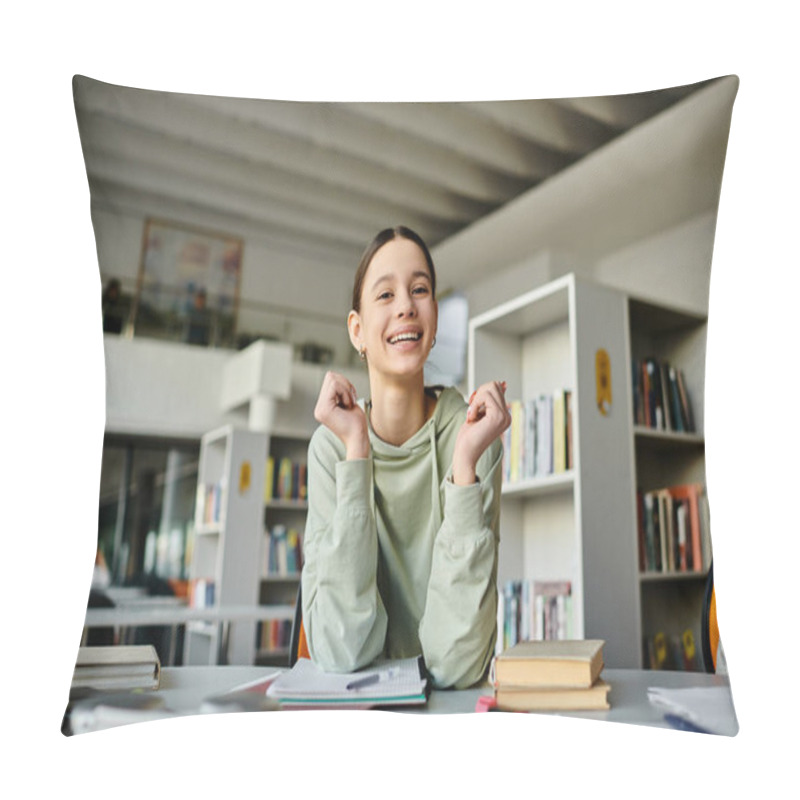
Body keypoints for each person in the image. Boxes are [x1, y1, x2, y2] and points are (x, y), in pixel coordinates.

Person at [301, 226, 511, 689]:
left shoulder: (474, 438)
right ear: (357, 330)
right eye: (386, 294)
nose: (405, 307)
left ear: (433, 318)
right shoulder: (330, 449)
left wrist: (463, 472)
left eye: (420, 290)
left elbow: (457, 666)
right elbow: (340, 651)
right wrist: (357, 453)